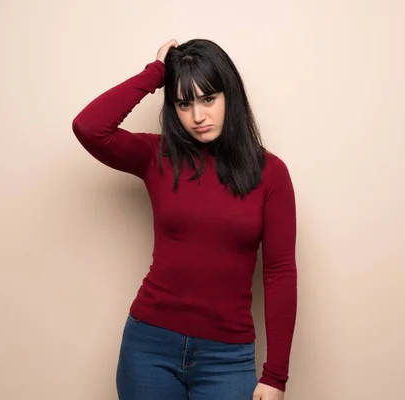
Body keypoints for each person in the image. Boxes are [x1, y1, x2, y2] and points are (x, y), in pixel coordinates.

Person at [72, 38, 297, 400]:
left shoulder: (270, 173)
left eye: (209, 99)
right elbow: (89, 127)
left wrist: (276, 376)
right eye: (184, 103)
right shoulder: (157, 155)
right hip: (149, 346)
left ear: (230, 96)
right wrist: (156, 72)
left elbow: (280, 273)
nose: (198, 116)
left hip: (227, 357)